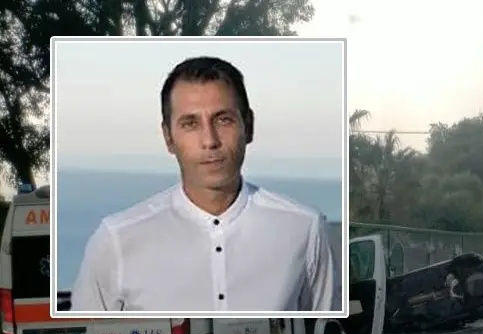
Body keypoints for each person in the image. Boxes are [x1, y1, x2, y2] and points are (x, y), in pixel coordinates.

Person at [70, 56, 338, 313]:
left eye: (223, 120)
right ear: (168, 138)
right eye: (190, 124)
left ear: (249, 126)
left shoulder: (304, 228)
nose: (209, 140)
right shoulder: (115, 239)